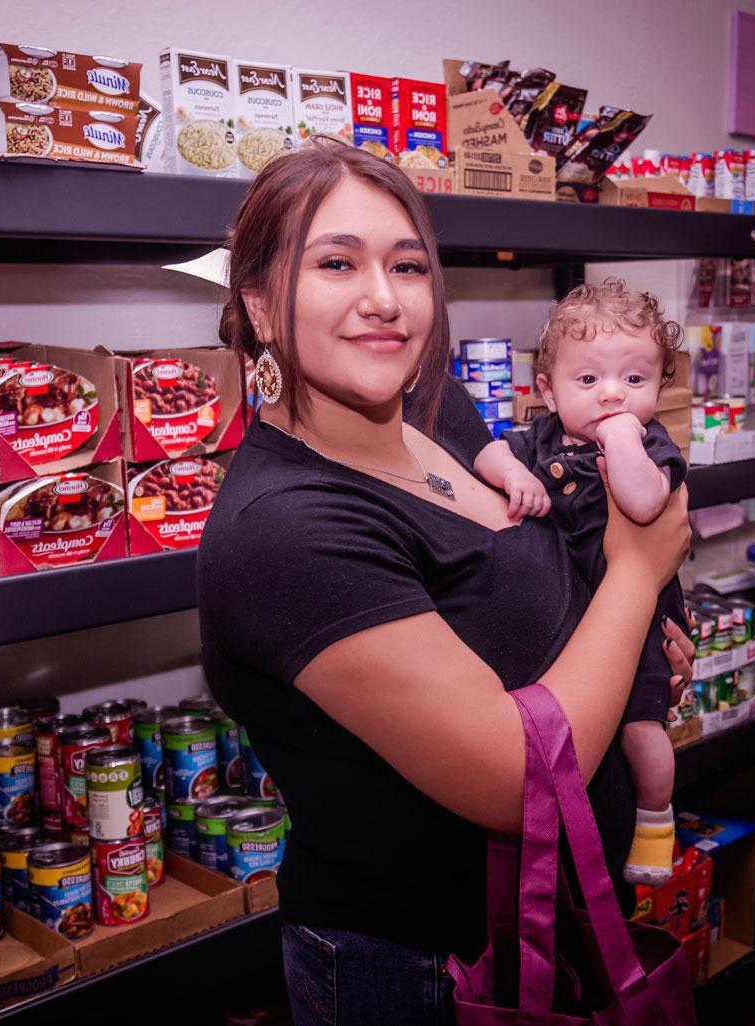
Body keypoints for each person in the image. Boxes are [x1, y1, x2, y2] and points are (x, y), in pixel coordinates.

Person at [196, 142, 694, 1026]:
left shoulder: (434, 414)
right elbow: (518, 776)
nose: (384, 299)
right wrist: (638, 573)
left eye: (409, 265)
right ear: (262, 304)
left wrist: (634, 659)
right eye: (337, 263)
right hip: (423, 970)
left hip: (552, 924)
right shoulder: (284, 529)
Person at [474, 279, 689, 885]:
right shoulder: (538, 437)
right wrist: (512, 475)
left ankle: (656, 821)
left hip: (639, 619)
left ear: (659, 386)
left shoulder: (649, 443)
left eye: (635, 380)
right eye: (589, 381)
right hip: (570, 620)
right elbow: (486, 455)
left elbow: (647, 506)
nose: (612, 395)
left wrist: (621, 439)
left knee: (642, 730)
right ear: (547, 388)